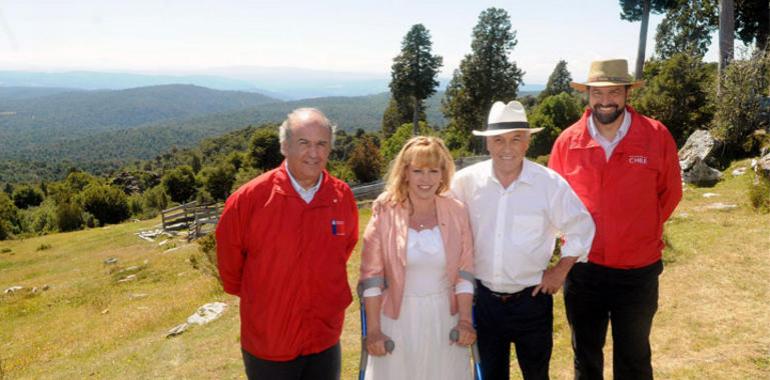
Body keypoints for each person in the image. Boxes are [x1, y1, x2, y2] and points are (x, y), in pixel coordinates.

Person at [548, 59, 683, 380]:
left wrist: (639, 229)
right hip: (583, 270)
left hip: (637, 272)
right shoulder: (568, 142)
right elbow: (553, 204)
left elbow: (670, 194)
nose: (605, 100)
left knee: (634, 358)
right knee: (586, 358)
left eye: (614, 92)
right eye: (598, 92)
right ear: (588, 96)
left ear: (626, 94)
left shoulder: (655, 135)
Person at [451, 100, 596, 380]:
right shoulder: (465, 182)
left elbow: (582, 226)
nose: (507, 148)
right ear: (488, 144)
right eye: (499, 140)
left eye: (516, 139)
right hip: (483, 302)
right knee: (490, 375)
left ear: (527, 142)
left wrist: (559, 271)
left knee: (537, 375)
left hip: (532, 301)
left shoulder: (549, 184)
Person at [215, 108, 359, 380]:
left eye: (321, 144)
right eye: (303, 143)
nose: (314, 153)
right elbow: (231, 272)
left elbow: (344, 250)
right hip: (270, 342)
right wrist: (267, 299)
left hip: (324, 338)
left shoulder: (341, 196)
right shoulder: (249, 200)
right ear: (284, 146)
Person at [358, 136, 476, 380]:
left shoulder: (456, 210)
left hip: (445, 319)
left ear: (443, 174)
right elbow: (372, 276)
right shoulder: (385, 209)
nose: (426, 179)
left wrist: (465, 321)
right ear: (406, 173)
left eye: (433, 171)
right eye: (418, 171)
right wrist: (375, 331)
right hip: (397, 318)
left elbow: (465, 272)